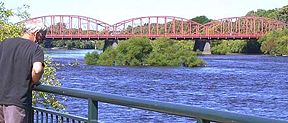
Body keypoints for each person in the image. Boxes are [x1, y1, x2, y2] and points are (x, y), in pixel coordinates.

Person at [0, 20, 47, 123]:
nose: (42, 40)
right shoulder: (35, 48)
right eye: (42, 37)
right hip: (17, 102)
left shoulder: (4, 43)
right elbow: (37, 69)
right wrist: (34, 81)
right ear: (36, 33)